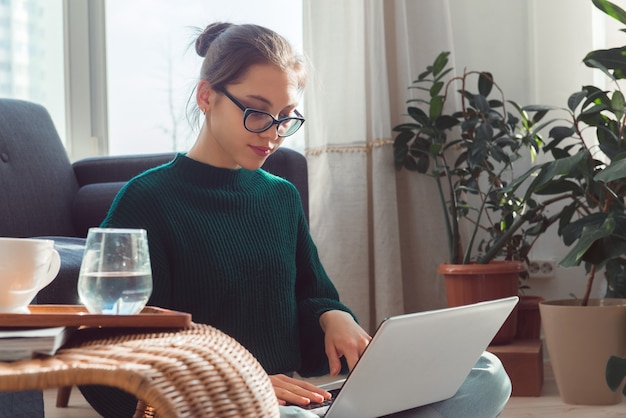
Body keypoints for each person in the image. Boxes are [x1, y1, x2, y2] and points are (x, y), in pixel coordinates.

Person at [79, 23, 511, 418]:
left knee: (485, 372)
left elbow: (312, 296)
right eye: (257, 111)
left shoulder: (279, 197)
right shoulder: (147, 200)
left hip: (294, 402)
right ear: (207, 96)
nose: (273, 133)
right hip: (219, 406)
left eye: (287, 116)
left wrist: (332, 317)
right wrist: (239, 387)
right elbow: (103, 352)